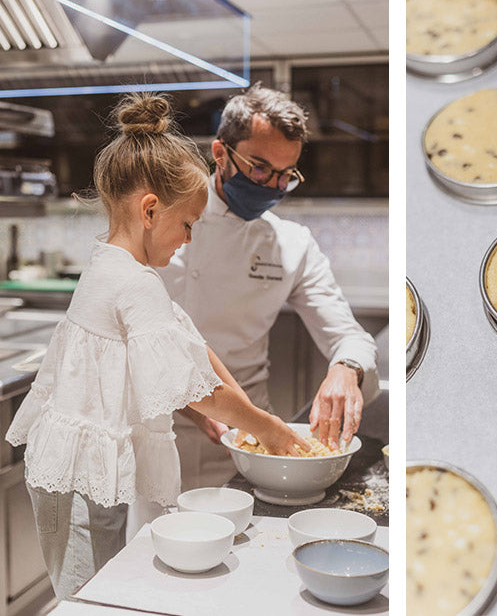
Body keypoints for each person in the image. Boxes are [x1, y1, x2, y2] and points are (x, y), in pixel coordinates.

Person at [4, 94, 308, 599]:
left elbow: (190, 345)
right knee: (88, 598)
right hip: (76, 482)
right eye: (187, 224)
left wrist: (244, 412)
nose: (188, 239)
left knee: (100, 580)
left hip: (78, 471)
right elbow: (199, 389)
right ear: (150, 210)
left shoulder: (115, 265)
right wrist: (269, 429)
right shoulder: (134, 283)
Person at [158, 83, 378, 492]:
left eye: (285, 175)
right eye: (259, 168)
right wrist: (197, 407)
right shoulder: (163, 220)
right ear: (221, 153)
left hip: (252, 438)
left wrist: (346, 369)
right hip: (162, 427)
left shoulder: (292, 243)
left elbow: (349, 336)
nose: (272, 186)